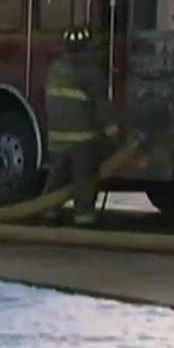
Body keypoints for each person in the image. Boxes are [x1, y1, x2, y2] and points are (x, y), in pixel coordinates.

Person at [42, 27, 119, 227]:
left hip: (56, 139)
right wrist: (115, 134)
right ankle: (84, 221)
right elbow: (101, 108)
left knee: (57, 177)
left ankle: (47, 213)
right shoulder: (91, 72)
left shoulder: (57, 68)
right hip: (81, 140)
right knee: (84, 181)